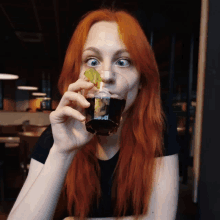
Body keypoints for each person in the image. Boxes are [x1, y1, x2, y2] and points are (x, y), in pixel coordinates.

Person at [7, 7, 181, 220]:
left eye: (122, 61)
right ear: (77, 75)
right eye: (92, 61)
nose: (106, 76)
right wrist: (62, 152)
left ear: (142, 81)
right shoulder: (56, 136)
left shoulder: (157, 130)